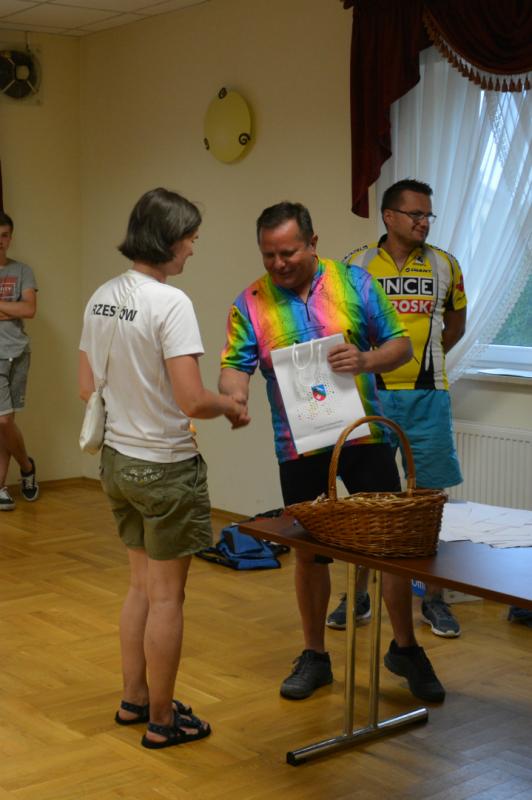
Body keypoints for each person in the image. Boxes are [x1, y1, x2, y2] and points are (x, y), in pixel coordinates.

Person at [219, 201, 446, 703]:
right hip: (298, 447)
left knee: (391, 547)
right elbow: (234, 365)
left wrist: (365, 359)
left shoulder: (354, 283)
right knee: (309, 553)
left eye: (288, 252)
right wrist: (233, 397)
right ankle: (315, 656)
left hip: (366, 437)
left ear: (313, 243)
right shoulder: (249, 303)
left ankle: (405, 648)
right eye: (269, 255)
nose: (278, 264)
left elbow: (401, 346)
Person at [79, 188, 248, 750]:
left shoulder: (102, 297)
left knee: (139, 588)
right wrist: (231, 404)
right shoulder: (170, 304)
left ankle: (134, 699)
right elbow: (193, 401)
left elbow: (85, 387)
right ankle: (161, 720)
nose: (194, 249)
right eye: (191, 238)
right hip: (167, 468)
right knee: (168, 598)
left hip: (118, 463)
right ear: (169, 239)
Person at [335, 179, 467, 638]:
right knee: (369, 501)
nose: (424, 222)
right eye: (415, 213)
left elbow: (455, 324)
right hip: (370, 396)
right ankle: (358, 594)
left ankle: (433, 599)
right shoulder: (355, 265)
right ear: (389, 216)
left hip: (427, 396)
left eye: (428, 214)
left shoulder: (445, 264)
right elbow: (342, 326)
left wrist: (424, 359)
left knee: (427, 503)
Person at [0, 212, 39, 511]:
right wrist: (11, 307)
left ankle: (2, 487)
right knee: (2, 419)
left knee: (5, 423)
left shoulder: (23, 270)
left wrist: (11, 309)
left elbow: (29, 310)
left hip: (18, 352)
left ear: (10, 238)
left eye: (4, 236)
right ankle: (26, 466)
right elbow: (19, 308)